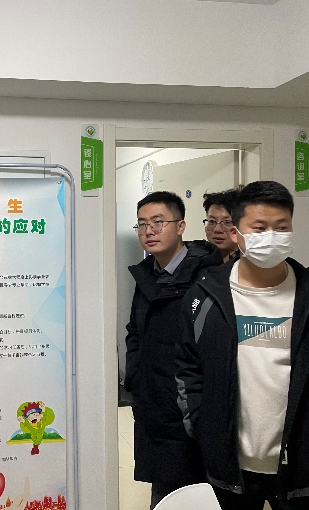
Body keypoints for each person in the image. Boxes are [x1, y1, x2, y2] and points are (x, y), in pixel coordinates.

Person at [175, 181, 309, 509]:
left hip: (307, 468)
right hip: (230, 467)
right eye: (260, 227)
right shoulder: (205, 298)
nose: (271, 237)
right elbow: (188, 369)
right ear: (236, 233)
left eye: (281, 228)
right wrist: (202, 425)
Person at [123, 190, 221, 509]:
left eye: (158, 222)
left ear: (180, 227)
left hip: (190, 406)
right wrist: (136, 378)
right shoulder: (147, 275)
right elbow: (135, 331)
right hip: (154, 402)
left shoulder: (206, 276)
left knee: (199, 493)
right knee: (166, 492)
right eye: (142, 224)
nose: (149, 231)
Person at [202, 188, 240, 262]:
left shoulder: (248, 264)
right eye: (212, 221)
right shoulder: (197, 261)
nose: (217, 229)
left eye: (227, 222)